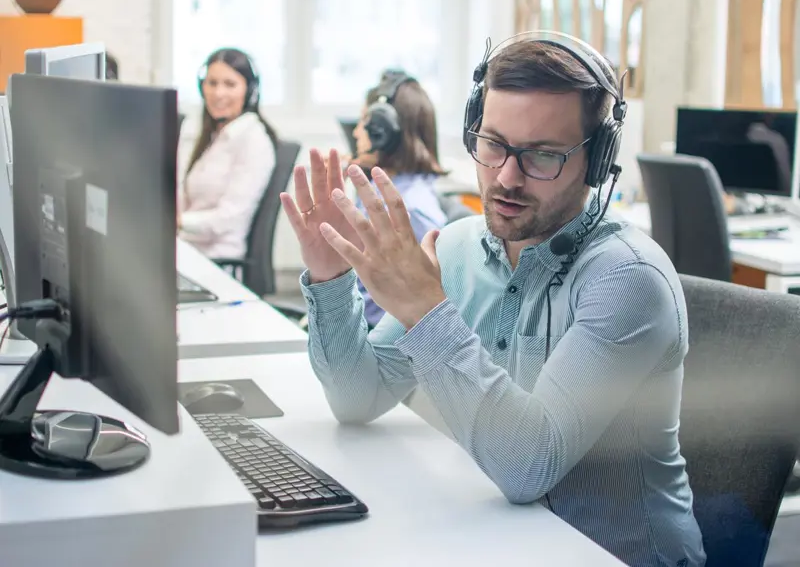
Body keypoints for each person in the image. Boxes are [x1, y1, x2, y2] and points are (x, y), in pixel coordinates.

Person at [280, 31, 705, 567]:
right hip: (504, 542)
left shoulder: (627, 279)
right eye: (493, 143)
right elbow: (356, 398)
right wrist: (330, 276)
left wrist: (424, 312)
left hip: (613, 555)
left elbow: (529, 465)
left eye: (543, 155)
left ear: (596, 163)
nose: (506, 177)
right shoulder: (459, 247)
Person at [347, 71, 447, 327]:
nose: (357, 133)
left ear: (384, 131)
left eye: (363, 123)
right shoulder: (380, 189)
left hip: (380, 341)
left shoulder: (411, 209)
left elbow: (418, 314)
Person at [177, 48, 277, 259]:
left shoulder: (255, 141)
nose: (218, 93)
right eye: (212, 83)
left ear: (249, 91)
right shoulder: (206, 134)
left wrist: (178, 221)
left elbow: (229, 219)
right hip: (186, 250)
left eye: (230, 84)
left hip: (217, 260)